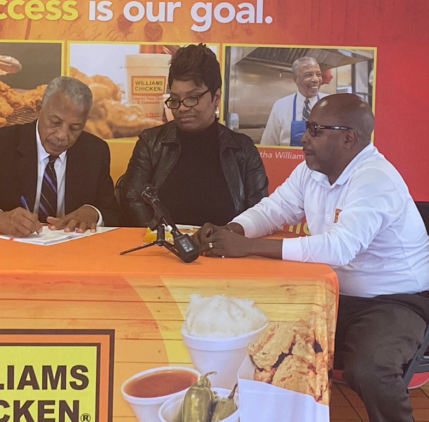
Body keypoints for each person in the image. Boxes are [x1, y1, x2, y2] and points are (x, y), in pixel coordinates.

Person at [195, 94, 429, 422]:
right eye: (307, 128)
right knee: (268, 346)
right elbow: (274, 209)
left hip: (394, 300)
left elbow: (339, 248)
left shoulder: (375, 179)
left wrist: (248, 247)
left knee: (370, 370)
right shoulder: (313, 171)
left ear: (349, 137)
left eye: (316, 130)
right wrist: (233, 230)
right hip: (332, 294)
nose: (303, 138)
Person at [0, 76, 120, 237]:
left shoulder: (95, 151)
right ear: (39, 109)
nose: (62, 136)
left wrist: (94, 212)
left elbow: (114, 213)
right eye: (55, 122)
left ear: (85, 122)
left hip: (71, 256)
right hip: (5, 255)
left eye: (75, 128)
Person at [120, 43, 268, 227]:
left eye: (192, 98)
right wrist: (164, 237)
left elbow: (259, 212)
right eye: (175, 99)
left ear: (216, 97)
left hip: (224, 250)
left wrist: (231, 236)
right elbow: (133, 200)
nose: (182, 108)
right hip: (162, 249)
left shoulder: (242, 150)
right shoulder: (151, 143)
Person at [260, 57, 328, 146]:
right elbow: (268, 145)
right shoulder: (281, 106)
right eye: (308, 75)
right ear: (295, 79)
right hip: (288, 159)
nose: (315, 79)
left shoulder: (330, 103)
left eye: (318, 74)